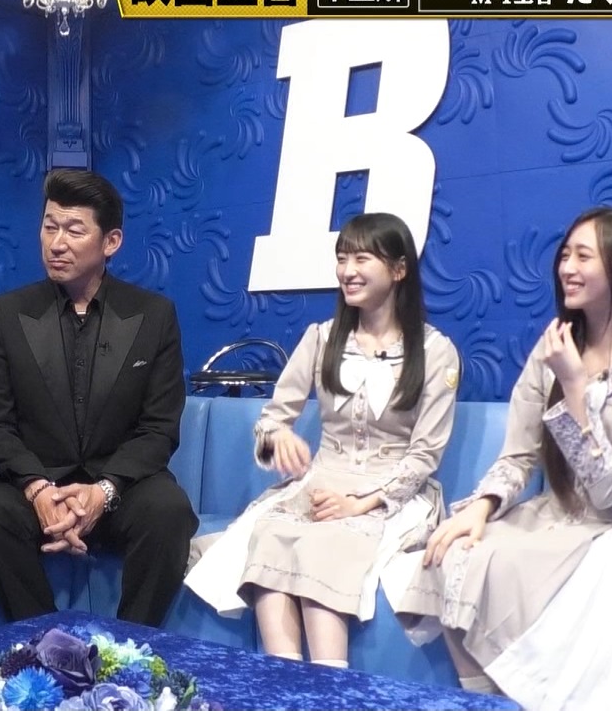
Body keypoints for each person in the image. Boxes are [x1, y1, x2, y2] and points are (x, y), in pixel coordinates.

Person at [400, 206, 612, 711]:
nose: (567, 269)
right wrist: (483, 505)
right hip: (556, 519)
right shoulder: (554, 346)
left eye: (584, 256)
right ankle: (486, 701)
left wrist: (575, 384)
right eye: (565, 256)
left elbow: (609, 488)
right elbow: (518, 454)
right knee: (452, 553)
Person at [184, 212, 460, 668]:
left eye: (362, 259)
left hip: (390, 495)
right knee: (271, 534)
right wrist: (280, 439)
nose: (347, 271)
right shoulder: (322, 338)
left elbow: (425, 453)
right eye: (342, 258)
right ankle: (285, 678)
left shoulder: (435, 351)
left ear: (398, 269)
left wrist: (360, 503)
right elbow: (271, 422)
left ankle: (331, 683)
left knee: (326, 543)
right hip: (320, 484)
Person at [0, 168, 198, 626]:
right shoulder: (7, 314)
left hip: (120, 488)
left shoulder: (153, 315)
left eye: (73, 230)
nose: (57, 243)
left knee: (170, 513)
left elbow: (159, 428)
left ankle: (131, 646)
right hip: (36, 485)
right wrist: (38, 488)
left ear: (111, 242)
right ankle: (46, 639)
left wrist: (103, 491)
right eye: (49, 227)